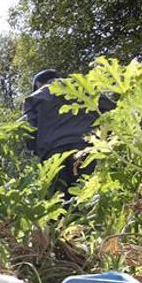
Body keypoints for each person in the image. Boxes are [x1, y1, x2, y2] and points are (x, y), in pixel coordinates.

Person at [23, 69, 115, 201]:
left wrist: (38, 150)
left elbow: (28, 130)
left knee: (61, 204)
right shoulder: (82, 87)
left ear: (38, 84)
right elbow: (111, 111)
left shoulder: (34, 98)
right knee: (92, 196)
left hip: (53, 154)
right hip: (87, 147)